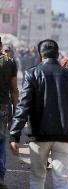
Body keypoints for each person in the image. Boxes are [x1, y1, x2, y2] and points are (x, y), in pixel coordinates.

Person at [9, 39, 68, 189]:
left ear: (40, 55)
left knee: (37, 179)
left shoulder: (32, 74)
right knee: (63, 181)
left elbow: (23, 106)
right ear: (58, 54)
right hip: (66, 135)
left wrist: (15, 134)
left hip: (39, 135)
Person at [0, 37, 19, 189]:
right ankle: (0, 178)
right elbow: (14, 90)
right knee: (0, 141)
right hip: (3, 107)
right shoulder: (9, 62)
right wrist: (16, 111)